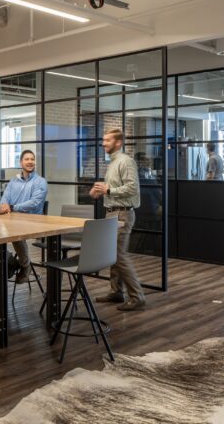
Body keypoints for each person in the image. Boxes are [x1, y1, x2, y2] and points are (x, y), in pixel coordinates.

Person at [90, 128, 146, 311]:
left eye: (107, 140)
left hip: (123, 213)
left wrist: (108, 191)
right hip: (111, 212)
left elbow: (132, 189)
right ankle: (116, 292)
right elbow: (111, 188)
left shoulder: (126, 161)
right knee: (113, 254)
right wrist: (100, 191)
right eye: (103, 140)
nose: (103, 143)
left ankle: (137, 296)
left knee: (119, 255)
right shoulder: (113, 162)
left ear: (118, 142)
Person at [0, 149, 48, 283]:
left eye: (32, 159)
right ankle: (11, 262)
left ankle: (25, 266)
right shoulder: (13, 181)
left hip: (33, 221)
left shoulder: (40, 182)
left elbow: (34, 202)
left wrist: (13, 207)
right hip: (13, 219)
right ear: (21, 162)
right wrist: (4, 205)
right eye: (27, 159)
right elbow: (5, 198)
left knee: (15, 231)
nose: (30, 162)